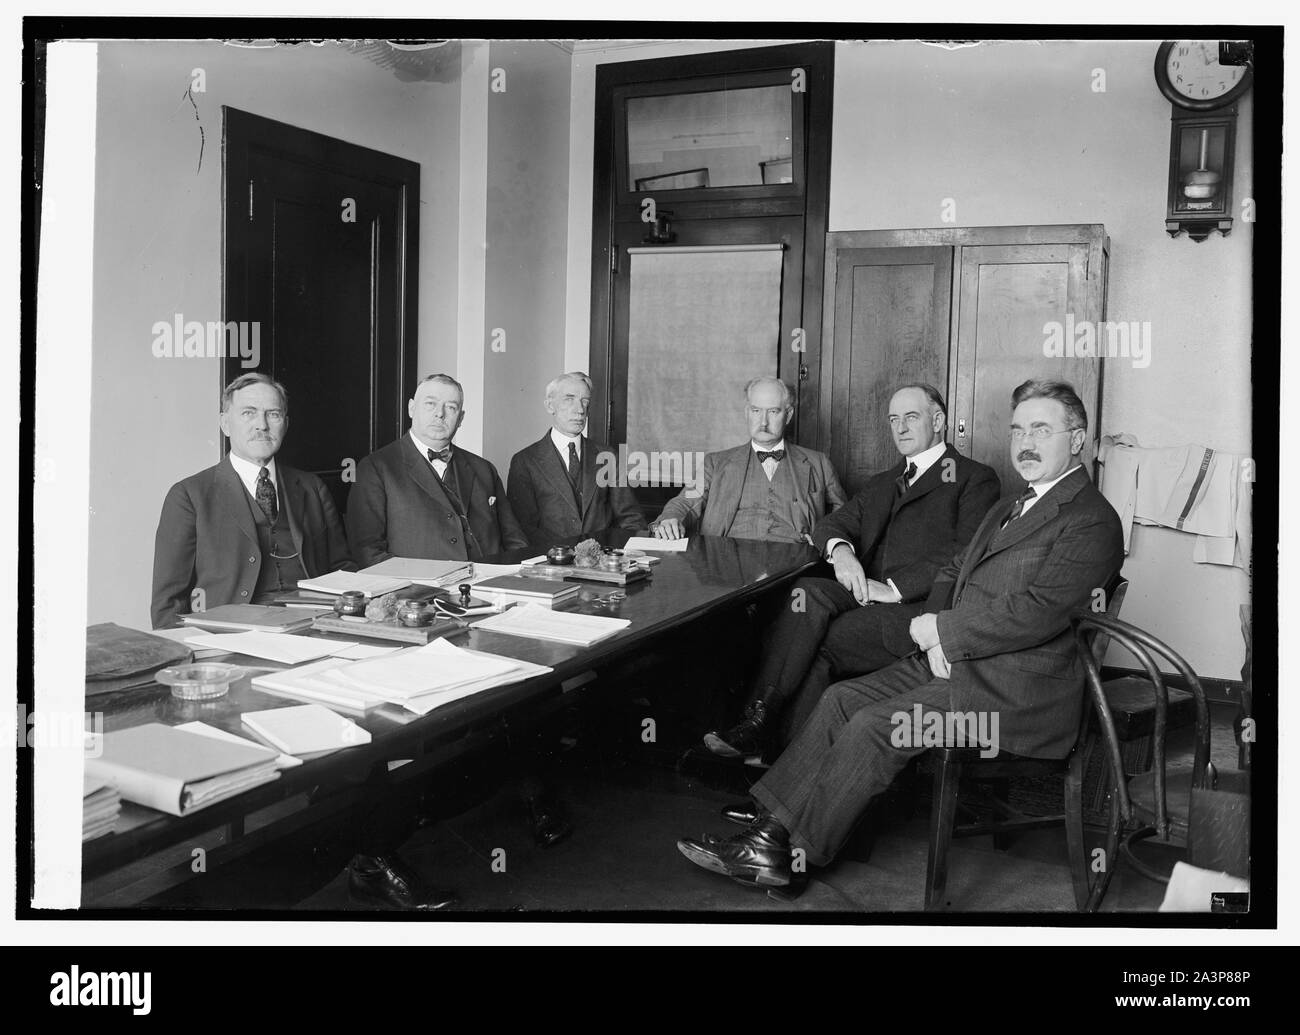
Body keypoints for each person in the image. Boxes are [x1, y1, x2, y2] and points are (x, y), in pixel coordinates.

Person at [676, 379, 1124, 891]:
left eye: (1041, 430)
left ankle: (790, 854)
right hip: (963, 661)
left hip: (1015, 691)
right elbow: (955, 570)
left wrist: (943, 631)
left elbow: (1041, 611)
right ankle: (768, 831)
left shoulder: (1091, 519)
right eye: (1019, 429)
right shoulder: (1014, 504)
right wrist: (931, 635)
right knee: (842, 698)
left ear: (1079, 439)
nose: (1025, 442)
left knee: (872, 724)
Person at [702, 384, 1000, 761]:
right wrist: (842, 552)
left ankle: (776, 763)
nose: (900, 428)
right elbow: (832, 523)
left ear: (939, 421)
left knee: (821, 639)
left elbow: (965, 553)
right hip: (864, 594)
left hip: (920, 607)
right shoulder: (882, 482)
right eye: (894, 419)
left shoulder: (975, 478)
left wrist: (894, 589)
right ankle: (758, 723)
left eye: (911, 417)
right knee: (806, 592)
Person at [151, 373, 351, 629]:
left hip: (315, 627)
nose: (262, 425)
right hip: (230, 636)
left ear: (285, 424)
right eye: (249, 413)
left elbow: (342, 569)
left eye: (273, 414)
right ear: (225, 423)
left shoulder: (312, 488)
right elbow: (168, 601)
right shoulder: (189, 496)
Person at [346, 373, 528, 566]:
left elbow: (515, 541)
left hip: (490, 587)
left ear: (460, 418)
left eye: (451, 407)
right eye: (430, 404)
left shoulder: (484, 469)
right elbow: (368, 552)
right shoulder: (377, 468)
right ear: (411, 408)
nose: (440, 414)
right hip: (419, 592)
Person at [649, 376, 846, 544]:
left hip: (795, 565)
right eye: (756, 411)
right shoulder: (715, 463)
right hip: (727, 565)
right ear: (746, 413)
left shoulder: (819, 463)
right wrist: (670, 519)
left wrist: (829, 543)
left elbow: (844, 518)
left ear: (788, 415)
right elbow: (684, 503)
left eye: (773, 411)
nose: (763, 422)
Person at [506, 372, 643, 547]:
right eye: (569, 399)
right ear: (550, 406)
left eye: (585, 401)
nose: (580, 410)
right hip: (551, 565)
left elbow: (631, 519)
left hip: (602, 564)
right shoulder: (525, 461)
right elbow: (521, 529)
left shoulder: (608, 457)